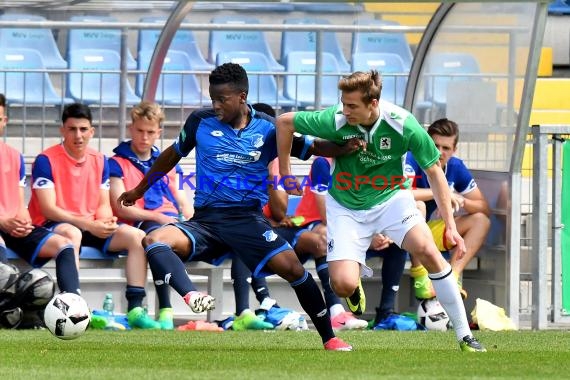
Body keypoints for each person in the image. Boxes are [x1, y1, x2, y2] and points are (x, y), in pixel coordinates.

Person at [118, 63, 353, 351]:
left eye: (222, 99)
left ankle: (330, 337)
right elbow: (172, 155)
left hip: (248, 221)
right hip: (206, 221)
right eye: (212, 98)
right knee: (154, 240)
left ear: (242, 97)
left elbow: (312, 148)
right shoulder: (200, 122)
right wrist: (139, 189)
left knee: (294, 270)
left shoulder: (269, 126)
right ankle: (192, 295)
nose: (215, 105)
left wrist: (345, 147)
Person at [275, 70, 486, 352]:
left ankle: (464, 336)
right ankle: (353, 286)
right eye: (343, 103)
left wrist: (449, 225)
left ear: (373, 103)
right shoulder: (335, 119)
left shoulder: (403, 124)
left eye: (352, 106)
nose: (345, 110)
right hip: (346, 207)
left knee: (427, 249)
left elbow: (434, 172)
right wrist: (287, 174)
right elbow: (284, 122)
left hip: (391, 199)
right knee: (342, 285)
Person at [28, 102, 161, 330]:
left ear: (92, 131)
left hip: (90, 225)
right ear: (63, 131)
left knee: (137, 237)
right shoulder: (45, 160)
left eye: (83, 129)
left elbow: (102, 204)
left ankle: (136, 310)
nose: (78, 135)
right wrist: (90, 224)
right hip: (56, 224)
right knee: (71, 235)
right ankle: (74, 307)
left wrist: (106, 221)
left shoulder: (100, 160)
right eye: (72, 129)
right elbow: (49, 209)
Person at [108, 101, 193, 330]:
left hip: (171, 221)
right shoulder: (116, 162)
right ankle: (165, 310)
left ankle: (166, 310)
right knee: (157, 238)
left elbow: (182, 199)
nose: (144, 137)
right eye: (139, 131)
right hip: (142, 222)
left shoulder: (166, 161)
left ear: (159, 133)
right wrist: (157, 217)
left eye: (150, 132)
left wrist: (193, 222)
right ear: (130, 128)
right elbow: (120, 207)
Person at [0, 92, 78, 296]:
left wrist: (23, 221)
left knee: (64, 244)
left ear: (4, 121)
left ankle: (73, 305)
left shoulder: (14, 156)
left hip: (12, 227)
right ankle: (6, 309)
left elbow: (18, 202)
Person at [405, 118, 491, 300]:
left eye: (446, 148)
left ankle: (453, 277)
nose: (440, 152)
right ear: (426, 143)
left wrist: (461, 200)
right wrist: (441, 193)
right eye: (435, 145)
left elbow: (483, 206)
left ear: (454, 150)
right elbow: (401, 194)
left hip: (433, 232)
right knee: (417, 208)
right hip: (404, 234)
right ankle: (421, 278)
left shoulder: (455, 167)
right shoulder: (411, 159)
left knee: (481, 220)